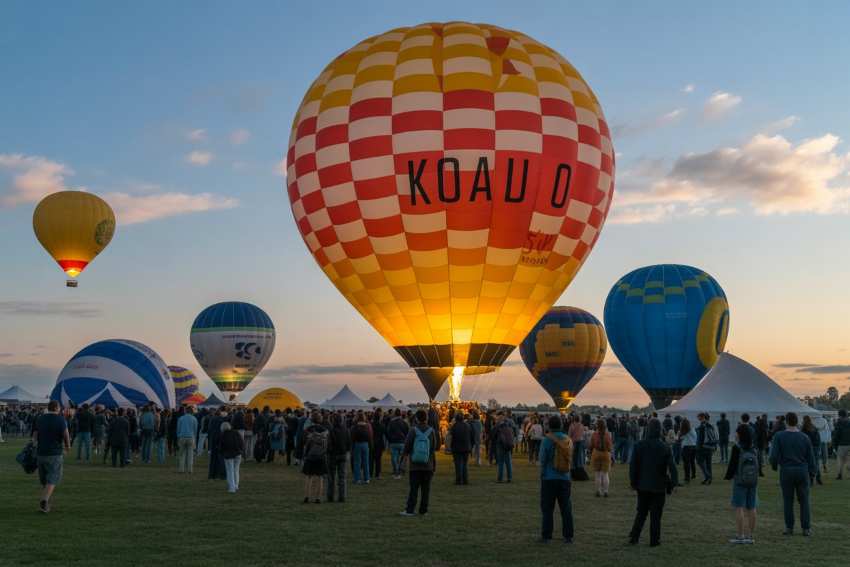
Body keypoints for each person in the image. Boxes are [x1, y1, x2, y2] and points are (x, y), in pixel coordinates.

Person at [628, 419, 677, 547]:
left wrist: (633, 482)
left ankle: (634, 536)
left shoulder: (639, 445)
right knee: (656, 515)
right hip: (659, 485)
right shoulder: (665, 447)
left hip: (642, 484)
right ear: (660, 430)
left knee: (641, 512)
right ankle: (654, 540)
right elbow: (672, 467)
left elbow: (633, 466)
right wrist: (673, 484)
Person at [769, 412, 816, 536]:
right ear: (797, 421)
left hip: (786, 470)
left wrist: (774, 466)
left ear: (787, 422)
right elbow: (811, 458)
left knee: (788, 500)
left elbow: (773, 456)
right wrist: (812, 473)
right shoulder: (805, 437)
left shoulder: (779, 436)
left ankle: (789, 528)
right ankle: (806, 528)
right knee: (804, 501)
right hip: (802, 470)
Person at [537, 415, 574, 543]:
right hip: (564, 477)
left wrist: (542, 474)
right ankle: (568, 536)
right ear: (561, 425)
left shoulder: (546, 440)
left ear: (549, 426)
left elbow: (543, 459)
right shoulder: (568, 440)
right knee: (566, 508)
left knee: (547, 508)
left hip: (549, 477)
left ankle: (546, 536)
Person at [32, 400, 70, 513]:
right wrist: (68, 447)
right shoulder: (60, 419)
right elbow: (66, 435)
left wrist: (34, 445)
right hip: (54, 453)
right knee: (53, 478)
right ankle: (44, 501)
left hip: (41, 453)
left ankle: (46, 503)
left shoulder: (40, 418)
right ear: (57, 408)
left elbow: (35, 435)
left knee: (45, 480)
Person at [725, 424, 759, 544]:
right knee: (752, 507)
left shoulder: (737, 447)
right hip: (753, 481)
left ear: (740, 434)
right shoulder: (754, 448)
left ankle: (740, 536)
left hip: (740, 480)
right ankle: (750, 535)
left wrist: (728, 477)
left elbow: (732, 465)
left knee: (739, 508)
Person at [400, 409, 439, 516]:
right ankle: (423, 510)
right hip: (428, 464)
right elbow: (433, 448)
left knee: (414, 488)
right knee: (426, 490)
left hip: (415, 465)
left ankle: (410, 509)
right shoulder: (431, 431)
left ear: (416, 418)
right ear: (427, 418)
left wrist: (404, 458)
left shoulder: (413, 430)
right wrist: (434, 465)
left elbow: (407, 446)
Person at [302, 411, 330, 503]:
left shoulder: (307, 430)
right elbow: (326, 445)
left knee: (308, 477)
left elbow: (304, 443)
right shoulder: (325, 431)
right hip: (321, 456)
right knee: (320, 477)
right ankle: (318, 498)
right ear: (320, 419)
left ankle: (306, 496)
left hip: (310, 456)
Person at [326, 413, 351, 502]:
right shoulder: (346, 430)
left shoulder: (331, 431)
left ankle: (330, 496)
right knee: (342, 477)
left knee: (331, 477)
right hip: (343, 455)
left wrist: (329, 452)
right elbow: (349, 443)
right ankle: (342, 496)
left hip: (333, 455)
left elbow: (329, 445)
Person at [590, 418, 613, 497]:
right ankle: (606, 491)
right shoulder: (608, 434)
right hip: (606, 454)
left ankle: (598, 491)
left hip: (596, 453)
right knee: (605, 474)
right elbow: (610, 447)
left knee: (597, 474)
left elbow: (591, 445)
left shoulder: (594, 434)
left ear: (597, 425)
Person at [449, 412, 474, 485]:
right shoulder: (468, 426)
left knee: (458, 465)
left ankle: (458, 480)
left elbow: (451, 437)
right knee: (465, 464)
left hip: (456, 448)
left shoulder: (454, 426)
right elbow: (472, 436)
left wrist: (451, 447)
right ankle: (465, 480)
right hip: (466, 447)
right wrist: (470, 445)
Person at [219, 421, 244, 493]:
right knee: (236, 470)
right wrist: (240, 450)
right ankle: (236, 485)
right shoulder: (236, 433)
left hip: (228, 455)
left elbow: (221, 447)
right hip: (238, 453)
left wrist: (222, 453)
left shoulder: (223, 435)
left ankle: (232, 488)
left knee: (230, 471)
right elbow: (241, 442)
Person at [492, 412, 516, 483]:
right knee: (508, 462)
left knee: (501, 462)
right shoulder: (508, 425)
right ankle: (509, 477)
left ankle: (500, 478)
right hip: (508, 445)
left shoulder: (497, 426)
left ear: (499, 419)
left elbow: (493, 435)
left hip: (500, 445)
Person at [386, 409, 409, 479]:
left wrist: (390, 440)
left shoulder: (391, 423)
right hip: (402, 442)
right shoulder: (404, 422)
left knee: (394, 458)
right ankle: (401, 469)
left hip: (393, 442)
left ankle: (396, 470)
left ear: (395, 414)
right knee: (403, 457)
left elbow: (388, 432)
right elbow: (407, 432)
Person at [351, 412, 372, 485]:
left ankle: (357, 479)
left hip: (357, 444)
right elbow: (370, 436)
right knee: (366, 462)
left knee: (357, 462)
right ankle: (367, 478)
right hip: (365, 444)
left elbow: (352, 436)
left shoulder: (355, 426)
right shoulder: (368, 426)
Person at [695, 413, 717, 484]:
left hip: (702, 447)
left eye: (698, 417)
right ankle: (708, 479)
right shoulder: (710, 425)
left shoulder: (702, 426)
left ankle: (708, 476)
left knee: (700, 462)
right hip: (710, 447)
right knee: (708, 463)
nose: (698, 418)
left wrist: (697, 447)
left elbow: (700, 439)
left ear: (702, 417)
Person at [801, 416, 823, 485]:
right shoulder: (814, 427)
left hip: (809, 447)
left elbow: (803, 439)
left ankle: (811, 479)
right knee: (816, 463)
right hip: (816, 446)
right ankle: (818, 478)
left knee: (808, 463)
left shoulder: (804, 428)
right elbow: (818, 438)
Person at [176, 407, 198, 474]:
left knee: (182, 454)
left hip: (182, 437)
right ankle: (190, 470)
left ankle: (181, 469)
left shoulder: (181, 418)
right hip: (191, 437)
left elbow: (178, 429)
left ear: (185, 411)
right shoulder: (194, 419)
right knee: (190, 455)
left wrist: (178, 436)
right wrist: (194, 437)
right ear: (192, 411)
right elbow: (195, 430)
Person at [833, 409, 850, 480]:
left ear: (840, 415)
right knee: (848, 460)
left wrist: (834, 445)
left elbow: (836, 435)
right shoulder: (849, 422)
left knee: (840, 460)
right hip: (849, 444)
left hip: (841, 444)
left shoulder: (838, 423)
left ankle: (840, 474)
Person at [679, 418, 697, 483]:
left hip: (686, 447)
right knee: (692, 461)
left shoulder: (683, 431)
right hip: (693, 447)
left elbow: (680, 438)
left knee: (686, 463)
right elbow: (696, 437)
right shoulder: (692, 429)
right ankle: (693, 474)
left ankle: (687, 477)